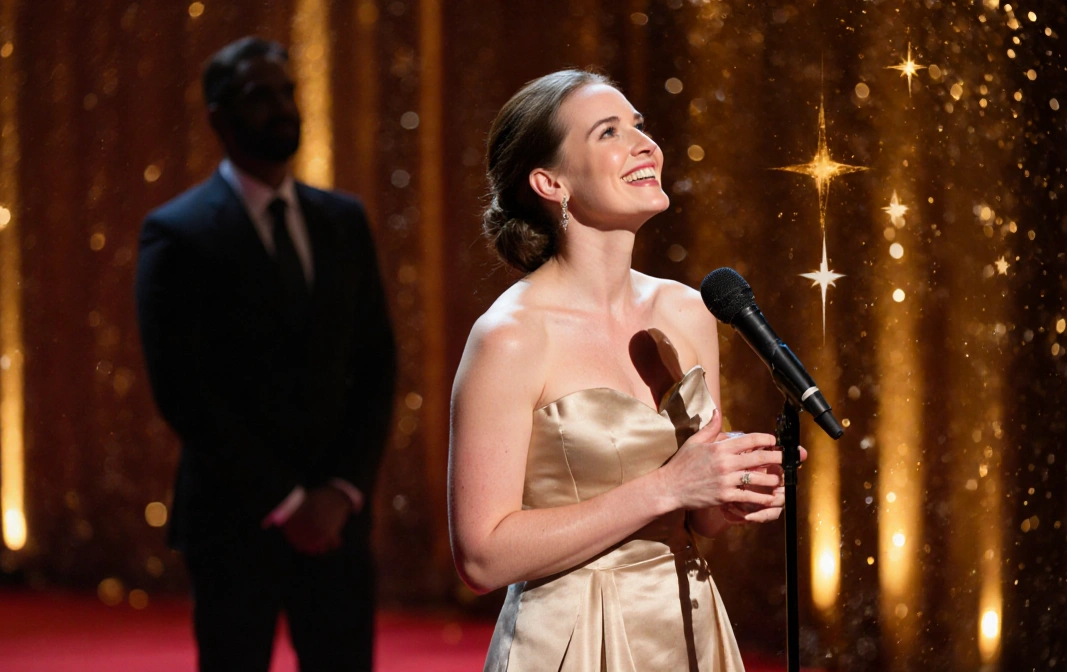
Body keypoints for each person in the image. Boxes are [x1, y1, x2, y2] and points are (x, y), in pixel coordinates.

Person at [448, 70, 804, 671]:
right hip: (571, 638)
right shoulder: (510, 337)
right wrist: (666, 487)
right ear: (549, 181)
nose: (646, 145)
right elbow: (481, 557)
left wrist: (731, 487)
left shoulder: (687, 310)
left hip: (686, 625)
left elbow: (701, 521)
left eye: (639, 126)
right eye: (609, 132)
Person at [135, 36, 395, 672]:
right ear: (218, 118)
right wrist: (286, 502)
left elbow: (377, 364)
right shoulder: (178, 232)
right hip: (234, 522)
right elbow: (183, 390)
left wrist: (339, 492)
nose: (282, 108)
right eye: (260, 96)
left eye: (287, 92)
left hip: (338, 524)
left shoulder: (343, 220)